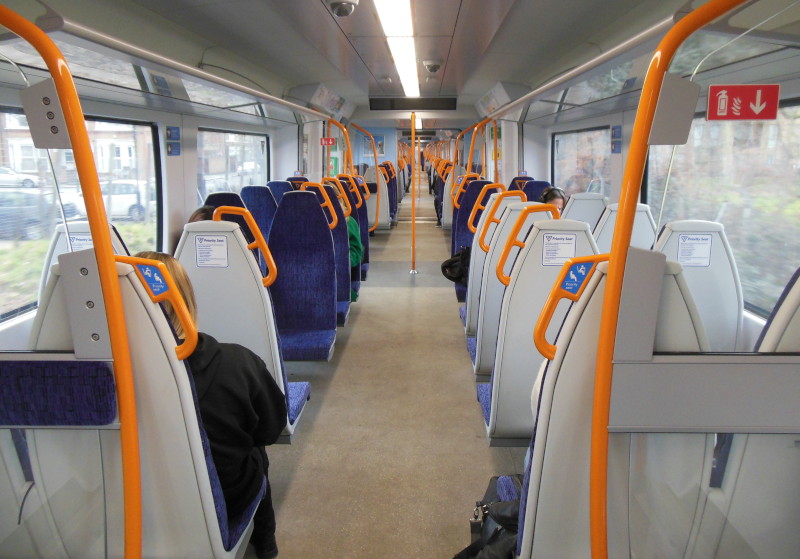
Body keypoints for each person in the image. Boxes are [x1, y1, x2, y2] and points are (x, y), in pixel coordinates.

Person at [135, 251, 287, 559]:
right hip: (223, 495)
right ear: (185, 301)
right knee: (257, 452)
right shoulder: (238, 363)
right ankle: (265, 543)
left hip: (132, 504)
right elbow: (271, 428)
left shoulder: (96, 383)